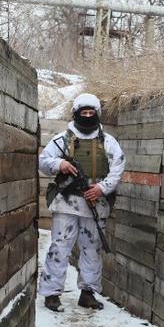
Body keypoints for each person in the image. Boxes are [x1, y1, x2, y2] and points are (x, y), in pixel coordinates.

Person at [39, 93, 125, 312]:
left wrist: (101, 188)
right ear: (76, 114)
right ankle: (51, 294)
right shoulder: (62, 139)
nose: (87, 116)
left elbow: (117, 168)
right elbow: (43, 161)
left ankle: (88, 293)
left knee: (92, 249)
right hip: (66, 203)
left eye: (91, 112)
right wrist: (60, 164)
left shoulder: (108, 142)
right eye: (83, 113)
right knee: (60, 247)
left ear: (97, 114)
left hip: (95, 203)